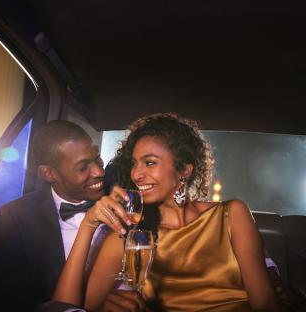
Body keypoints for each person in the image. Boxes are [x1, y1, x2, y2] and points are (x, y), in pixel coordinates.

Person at [53, 113, 283, 311]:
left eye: (150, 163)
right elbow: (71, 309)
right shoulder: (131, 235)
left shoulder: (232, 214)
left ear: (184, 169)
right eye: (134, 163)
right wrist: (88, 226)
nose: (137, 174)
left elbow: (264, 302)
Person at [0, 120, 143, 312]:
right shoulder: (19, 216)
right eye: (82, 167)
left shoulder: (125, 201)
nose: (99, 172)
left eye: (98, 159)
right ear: (49, 174)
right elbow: (6, 300)